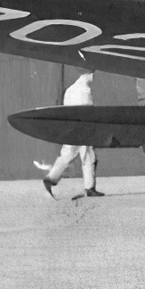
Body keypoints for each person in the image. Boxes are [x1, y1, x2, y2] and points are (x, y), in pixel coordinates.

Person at [42, 69, 103, 199]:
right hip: (83, 127)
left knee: (68, 153)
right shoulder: (85, 90)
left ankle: (51, 177)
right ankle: (90, 188)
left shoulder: (70, 89)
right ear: (86, 75)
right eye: (91, 74)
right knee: (88, 155)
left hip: (72, 127)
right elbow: (87, 111)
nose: (93, 76)